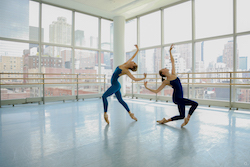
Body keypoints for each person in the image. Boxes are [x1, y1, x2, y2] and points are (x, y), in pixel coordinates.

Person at [144, 44, 198, 127]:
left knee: (181, 116)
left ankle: (165, 120)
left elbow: (172, 61)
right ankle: (188, 118)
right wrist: (146, 87)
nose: (165, 68)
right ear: (163, 73)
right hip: (177, 98)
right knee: (195, 104)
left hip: (180, 97)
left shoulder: (174, 74)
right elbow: (156, 91)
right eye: (163, 69)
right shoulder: (166, 81)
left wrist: (170, 51)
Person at [102, 45, 147, 124]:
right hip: (116, 84)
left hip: (116, 85)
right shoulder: (126, 63)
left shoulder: (126, 71)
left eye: (133, 62)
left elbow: (134, 79)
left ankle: (105, 114)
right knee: (120, 100)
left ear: (132, 66)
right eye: (133, 61)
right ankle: (131, 114)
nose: (132, 61)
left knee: (104, 96)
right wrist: (137, 50)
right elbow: (133, 56)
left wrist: (143, 78)